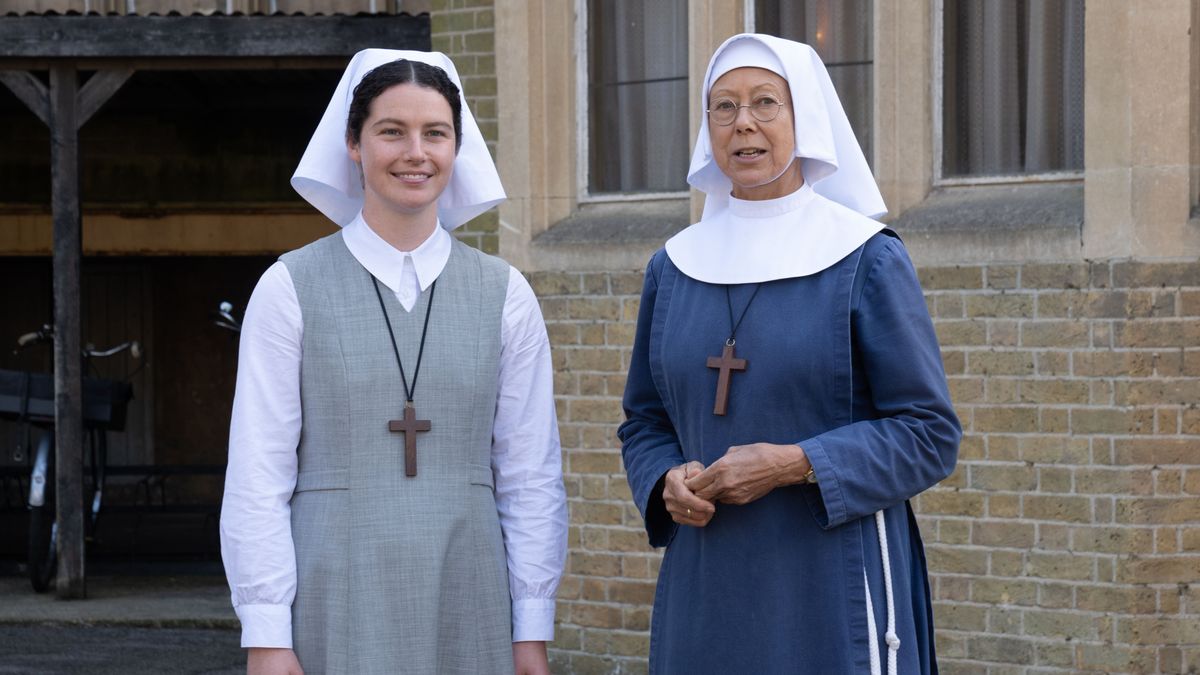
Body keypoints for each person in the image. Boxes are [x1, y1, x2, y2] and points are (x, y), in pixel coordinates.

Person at [619, 34, 961, 675]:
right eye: (724, 106)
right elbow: (644, 421)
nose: (743, 121)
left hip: (831, 581)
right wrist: (663, 479)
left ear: (804, 117)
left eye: (764, 102)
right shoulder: (672, 267)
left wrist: (794, 463)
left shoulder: (866, 257)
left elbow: (928, 434)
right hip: (706, 578)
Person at [220, 49, 567, 675]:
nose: (416, 152)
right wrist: (267, 634)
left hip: (470, 589)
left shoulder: (505, 293)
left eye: (435, 133)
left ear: (457, 147)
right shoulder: (289, 286)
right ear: (353, 143)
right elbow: (257, 473)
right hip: (335, 591)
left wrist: (531, 627)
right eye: (391, 131)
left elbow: (529, 473)